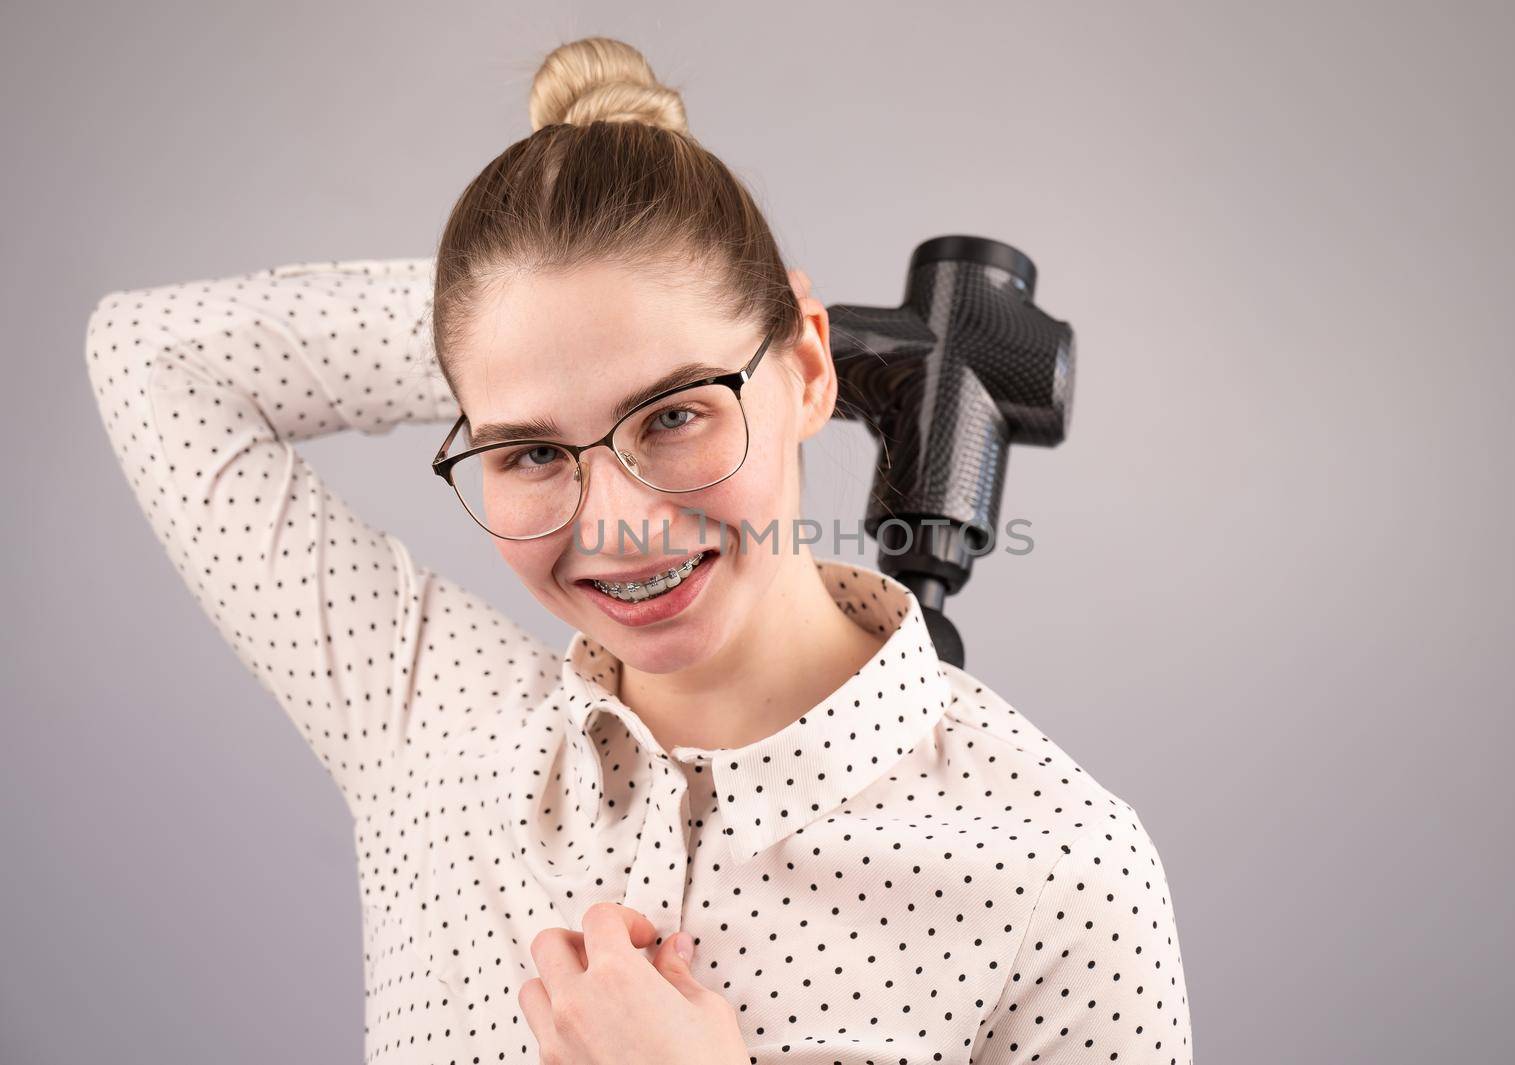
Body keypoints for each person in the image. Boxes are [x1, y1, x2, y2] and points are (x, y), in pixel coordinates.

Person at [84, 35, 1192, 1065]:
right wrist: (515, 326)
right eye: (525, 452)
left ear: (808, 373)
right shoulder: (424, 727)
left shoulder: (1060, 871)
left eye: (673, 415)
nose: (614, 523)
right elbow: (154, 357)